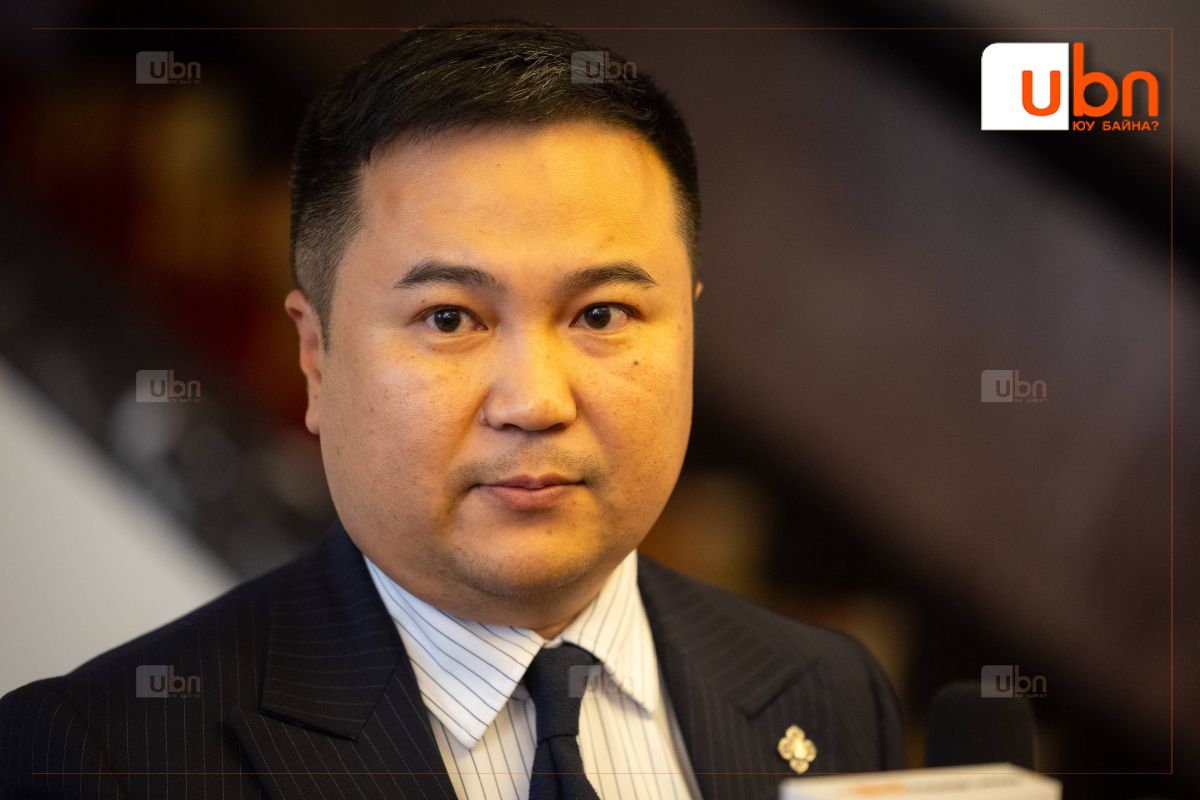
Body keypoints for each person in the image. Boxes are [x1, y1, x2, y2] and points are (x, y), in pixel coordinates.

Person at [0, 20, 905, 799]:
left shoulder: (828, 692)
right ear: (316, 358)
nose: (535, 402)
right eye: (449, 319)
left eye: (602, 315)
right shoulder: (105, 757)